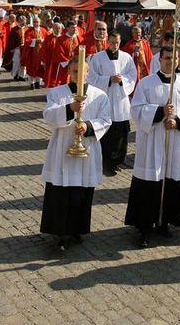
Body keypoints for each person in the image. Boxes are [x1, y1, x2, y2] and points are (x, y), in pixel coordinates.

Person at [125, 46, 180, 247]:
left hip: (176, 141)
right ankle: (144, 227)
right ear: (159, 60)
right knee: (150, 184)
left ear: (179, 60)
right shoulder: (146, 83)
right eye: (167, 58)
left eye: (174, 58)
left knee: (171, 183)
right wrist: (159, 113)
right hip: (153, 141)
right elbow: (136, 109)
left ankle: (165, 222)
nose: (170, 61)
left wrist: (178, 121)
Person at [40, 56, 112, 250]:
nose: (79, 75)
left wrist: (88, 127)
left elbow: (106, 119)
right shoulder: (57, 93)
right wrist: (70, 109)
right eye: (74, 71)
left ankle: (78, 229)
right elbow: (48, 115)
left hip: (86, 149)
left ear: (88, 73)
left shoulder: (99, 95)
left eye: (83, 72)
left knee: (82, 191)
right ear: (68, 73)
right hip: (62, 149)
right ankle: (60, 232)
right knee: (61, 192)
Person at [87, 31, 136, 176]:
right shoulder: (98, 58)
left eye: (117, 42)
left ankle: (118, 160)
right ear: (108, 42)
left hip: (120, 98)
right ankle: (105, 160)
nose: (115, 45)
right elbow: (92, 77)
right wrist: (108, 79)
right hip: (105, 97)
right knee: (106, 130)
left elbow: (132, 76)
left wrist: (122, 80)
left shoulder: (126, 58)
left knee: (120, 132)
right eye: (113, 42)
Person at [46, 20, 80, 88]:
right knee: (63, 83)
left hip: (76, 66)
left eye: (75, 27)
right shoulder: (61, 39)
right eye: (73, 27)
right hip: (64, 66)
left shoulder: (79, 39)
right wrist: (69, 63)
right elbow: (59, 52)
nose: (75, 29)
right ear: (67, 28)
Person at [22, 16, 48, 89]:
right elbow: (27, 41)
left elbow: (47, 40)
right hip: (32, 53)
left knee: (40, 68)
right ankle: (31, 83)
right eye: (34, 22)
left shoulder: (44, 30)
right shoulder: (29, 31)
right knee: (31, 68)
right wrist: (35, 41)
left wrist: (43, 41)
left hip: (41, 53)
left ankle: (38, 82)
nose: (35, 23)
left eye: (37, 22)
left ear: (40, 23)